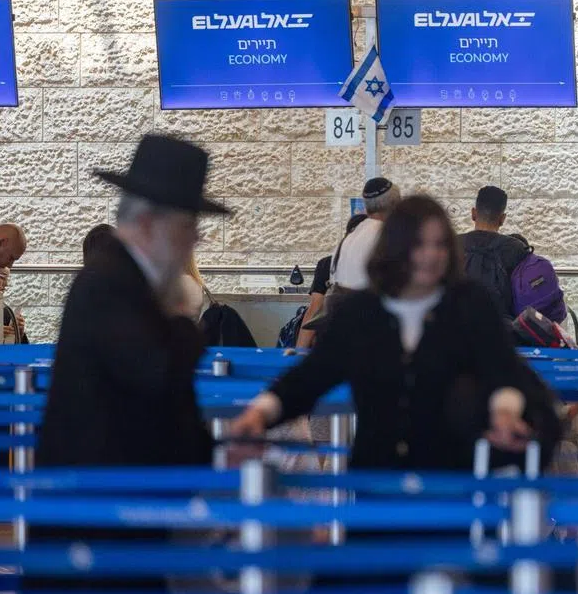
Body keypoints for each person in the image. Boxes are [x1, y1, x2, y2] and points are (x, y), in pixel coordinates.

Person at [29, 134, 225, 594]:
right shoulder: (108, 284)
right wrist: (185, 320)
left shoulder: (129, 283)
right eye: (187, 227)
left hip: (125, 514)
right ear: (146, 224)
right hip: (98, 523)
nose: (194, 241)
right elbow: (156, 371)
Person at [230, 194, 560, 472]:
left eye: (439, 244)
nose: (431, 254)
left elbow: (502, 370)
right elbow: (313, 375)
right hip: (376, 478)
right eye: (419, 244)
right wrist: (261, 412)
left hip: (451, 480)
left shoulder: (470, 305)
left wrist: (505, 413)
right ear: (396, 249)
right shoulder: (361, 312)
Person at [296, 213, 368, 349]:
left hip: (332, 337)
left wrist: (298, 352)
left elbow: (315, 308)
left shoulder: (328, 263)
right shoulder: (377, 266)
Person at [460, 185, 531, 318]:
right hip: (501, 331)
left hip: (456, 328)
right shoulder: (516, 248)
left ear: (473, 213)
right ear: (502, 219)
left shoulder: (452, 245)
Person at [331, 177, 400, 291]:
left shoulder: (351, 234)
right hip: (368, 305)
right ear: (394, 204)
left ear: (367, 207)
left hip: (343, 304)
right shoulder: (386, 235)